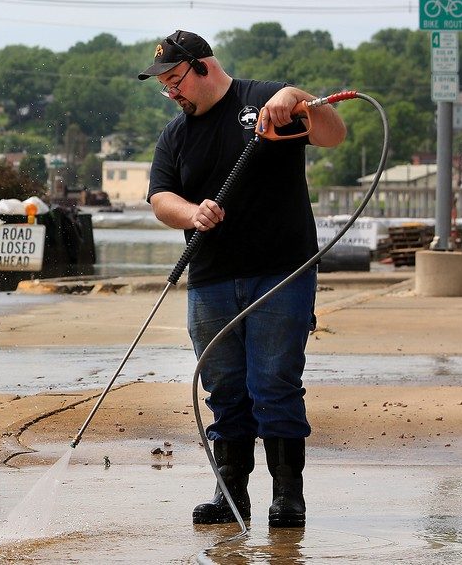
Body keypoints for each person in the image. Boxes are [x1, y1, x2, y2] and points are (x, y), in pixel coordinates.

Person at [139, 30, 346, 528]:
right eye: (164, 86)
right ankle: (230, 494)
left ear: (203, 66)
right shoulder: (176, 134)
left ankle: (287, 497)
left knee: (274, 383)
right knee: (224, 388)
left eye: (175, 80)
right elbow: (159, 198)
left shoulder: (265, 102)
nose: (172, 92)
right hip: (210, 278)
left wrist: (297, 97)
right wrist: (191, 213)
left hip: (281, 273)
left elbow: (332, 134)